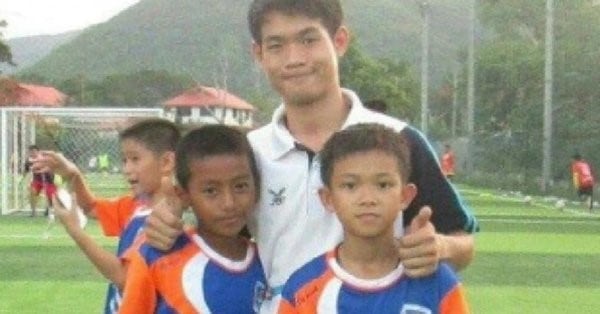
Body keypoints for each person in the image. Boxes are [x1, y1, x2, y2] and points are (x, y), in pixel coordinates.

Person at [145, 1, 478, 312]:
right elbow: (213, 230)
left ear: (340, 41)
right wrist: (167, 220)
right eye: (276, 46)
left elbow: (463, 243)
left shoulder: (399, 140)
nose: (294, 59)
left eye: (308, 40)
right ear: (259, 54)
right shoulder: (249, 153)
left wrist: (442, 248)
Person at [279, 123, 469, 313]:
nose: (368, 199)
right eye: (350, 186)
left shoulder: (439, 284)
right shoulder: (302, 289)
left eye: (383, 185)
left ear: (405, 196)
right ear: (328, 199)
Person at [35, 118, 180, 314]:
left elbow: (123, 278)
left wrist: (75, 230)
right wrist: (73, 175)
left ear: (166, 162)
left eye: (135, 159)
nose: (126, 168)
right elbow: (91, 207)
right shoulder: (134, 207)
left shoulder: (168, 221)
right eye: (124, 160)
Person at [120, 125, 268, 313]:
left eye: (240, 186)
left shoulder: (267, 261)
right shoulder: (156, 256)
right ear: (184, 196)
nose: (229, 203)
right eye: (211, 191)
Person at [22, 145, 57, 217]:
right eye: (30, 152)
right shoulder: (29, 161)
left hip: (48, 180)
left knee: (51, 197)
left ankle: (49, 209)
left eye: (34, 152)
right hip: (37, 180)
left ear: (38, 152)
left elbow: (51, 168)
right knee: (32, 192)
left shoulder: (44, 158)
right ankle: (33, 212)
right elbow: (26, 170)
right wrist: (24, 176)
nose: (32, 154)